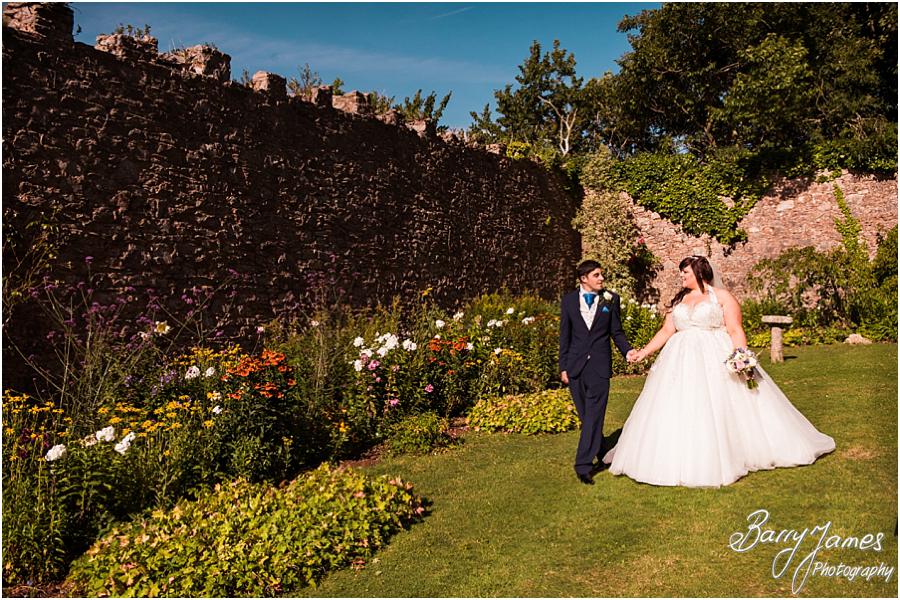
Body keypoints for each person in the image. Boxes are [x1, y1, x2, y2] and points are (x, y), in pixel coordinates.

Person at [603, 255, 835, 487]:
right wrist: (643, 352)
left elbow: (735, 329)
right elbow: (666, 331)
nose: (681, 276)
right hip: (678, 361)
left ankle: (734, 452)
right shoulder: (679, 301)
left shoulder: (722, 297)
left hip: (713, 356)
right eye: (681, 272)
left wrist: (741, 357)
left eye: (686, 272)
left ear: (699, 273)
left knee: (721, 403)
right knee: (676, 404)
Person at [559, 260, 637, 485]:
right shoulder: (569, 301)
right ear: (584, 279)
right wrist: (563, 367)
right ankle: (603, 452)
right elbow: (565, 336)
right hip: (575, 367)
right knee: (586, 416)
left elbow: (617, 332)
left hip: (600, 367)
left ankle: (583, 465)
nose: (601, 279)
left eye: (601, 275)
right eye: (596, 275)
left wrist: (628, 351)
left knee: (594, 415)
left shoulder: (611, 299)